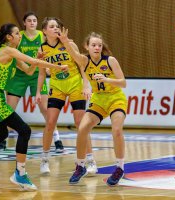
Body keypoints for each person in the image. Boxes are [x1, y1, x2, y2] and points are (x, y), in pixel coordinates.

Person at [0, 23, 67, 191]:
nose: (20, 36)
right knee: (25, 130)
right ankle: (20, 173)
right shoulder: (8, 50)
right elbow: (32, 60)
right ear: (9, 37)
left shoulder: (9, 53)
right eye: (17, 33)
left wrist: (39, 58)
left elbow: (29, 70)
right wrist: (58, 67)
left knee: (2, 133)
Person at [58, 28, 128, 186]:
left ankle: (119, 167)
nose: (97, 47)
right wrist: (64, 41)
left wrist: (106, 79)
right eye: (94, 45)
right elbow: (74, 55)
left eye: (99, 45)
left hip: (116, 98)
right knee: (82, 128)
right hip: (98, 100)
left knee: (116, 130)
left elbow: (123, 83)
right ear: (87, 47)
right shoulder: (84, 61)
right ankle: (81, 165)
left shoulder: (110, 61)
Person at [0, 12, 64, 153]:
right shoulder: (17, 36)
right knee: (9, 109)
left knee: (45, 108)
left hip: (37, 74)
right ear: (24, 23)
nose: (32, 23)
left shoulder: (42, 35)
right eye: (29, 20)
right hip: (19, 75)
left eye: (35, 20)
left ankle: (57, 139)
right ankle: (2, 139)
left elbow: (50, 49)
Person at [36, 17, 97, 175]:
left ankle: (90, 161)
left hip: (75, 83)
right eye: (51, 26)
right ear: (44, 31)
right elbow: (42, 72)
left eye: (57, 26)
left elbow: (82, 64)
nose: (55, 28)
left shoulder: (69, 44)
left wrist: (85, 84)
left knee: (80, 123)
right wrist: (38, 91)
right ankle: (44, 160)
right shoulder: (42, 49)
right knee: (50, 123)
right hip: (57, 86)